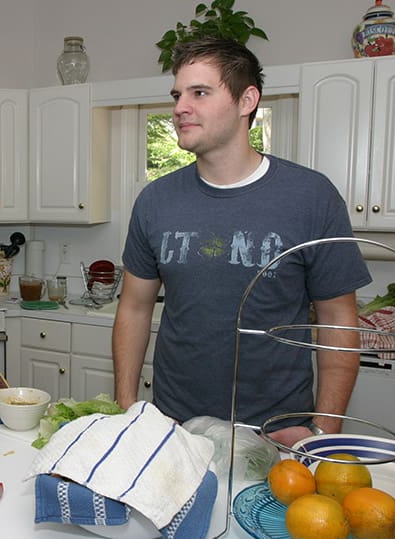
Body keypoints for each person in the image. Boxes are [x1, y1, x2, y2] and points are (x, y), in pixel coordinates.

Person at [112, 37, 371, 448]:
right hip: (175, 429)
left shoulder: (311, 197)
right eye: (178, 94)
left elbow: (337, 320)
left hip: (279, 432)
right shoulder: (155, 201)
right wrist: (126, 408)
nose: (180, 107)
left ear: (246, 99)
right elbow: (135, 307)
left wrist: (322, 434)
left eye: (200, 92)